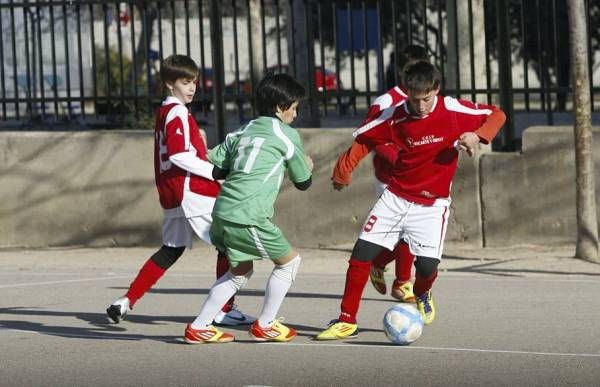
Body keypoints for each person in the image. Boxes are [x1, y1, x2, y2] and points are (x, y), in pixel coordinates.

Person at [317, 61, 506, 340]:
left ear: (437, 90)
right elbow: (364, 140)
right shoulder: (394, 117)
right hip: (394, 198)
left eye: (426, 99)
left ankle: (422, 292)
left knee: (427, 267)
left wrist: (477, 135)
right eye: (414, 99)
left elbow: (497, 114)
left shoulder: (453, 110)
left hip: (432, 206)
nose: (420, 106)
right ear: (406, 93)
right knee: (361, 254)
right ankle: (347, 319)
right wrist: (342, 172)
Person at [106, 54, 254, 327]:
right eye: (185, 82)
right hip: (191, 191)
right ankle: (222, 309)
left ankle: (125, 302)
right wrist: (214, 172)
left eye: (194, 82)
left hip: (172, 192)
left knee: (170, 250)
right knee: (232, 244)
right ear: (169, 83)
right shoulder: (177, 112)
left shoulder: (164, 112)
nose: (192, 87)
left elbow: (180, 150)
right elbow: (178, 154)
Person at [184, 73, 313, 344]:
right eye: (294, 107)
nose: (296, 113)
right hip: (247, 214)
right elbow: (303, 182)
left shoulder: (242, 130)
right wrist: (308, 166)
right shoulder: (287, 135)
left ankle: (199, 326)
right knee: (290, 262)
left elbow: (218, 168)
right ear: (280, 107)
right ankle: (265, 324)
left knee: (240, 271)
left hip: (221, 211)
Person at [331, 45, 429, 303]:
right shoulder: (387, 101)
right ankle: (402, 284)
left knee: (413, 233)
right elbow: (369, 137)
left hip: (421, 180)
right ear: (400, 72)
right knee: (407, 233)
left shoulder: (427, 100)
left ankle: (380, 264)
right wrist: (345, 169)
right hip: (391, 179)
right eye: (409, 71)